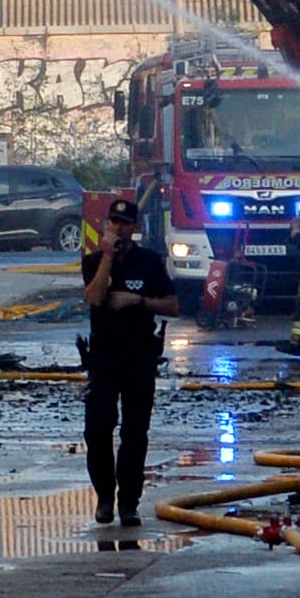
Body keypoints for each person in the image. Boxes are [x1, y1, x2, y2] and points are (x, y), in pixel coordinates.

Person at [80, 186, 181, 527]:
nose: (119, 228)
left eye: (125, 223)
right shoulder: (94, 261)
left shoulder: (149, 262)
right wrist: (108, 257)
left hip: (139, 357)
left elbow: (173, 305)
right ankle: (105, 498)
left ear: (135, 227)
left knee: (135, 433)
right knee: (97, 430)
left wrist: (137, 301)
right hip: (104, 358)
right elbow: (94, 298)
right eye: (113, 222)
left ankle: (129, 503)